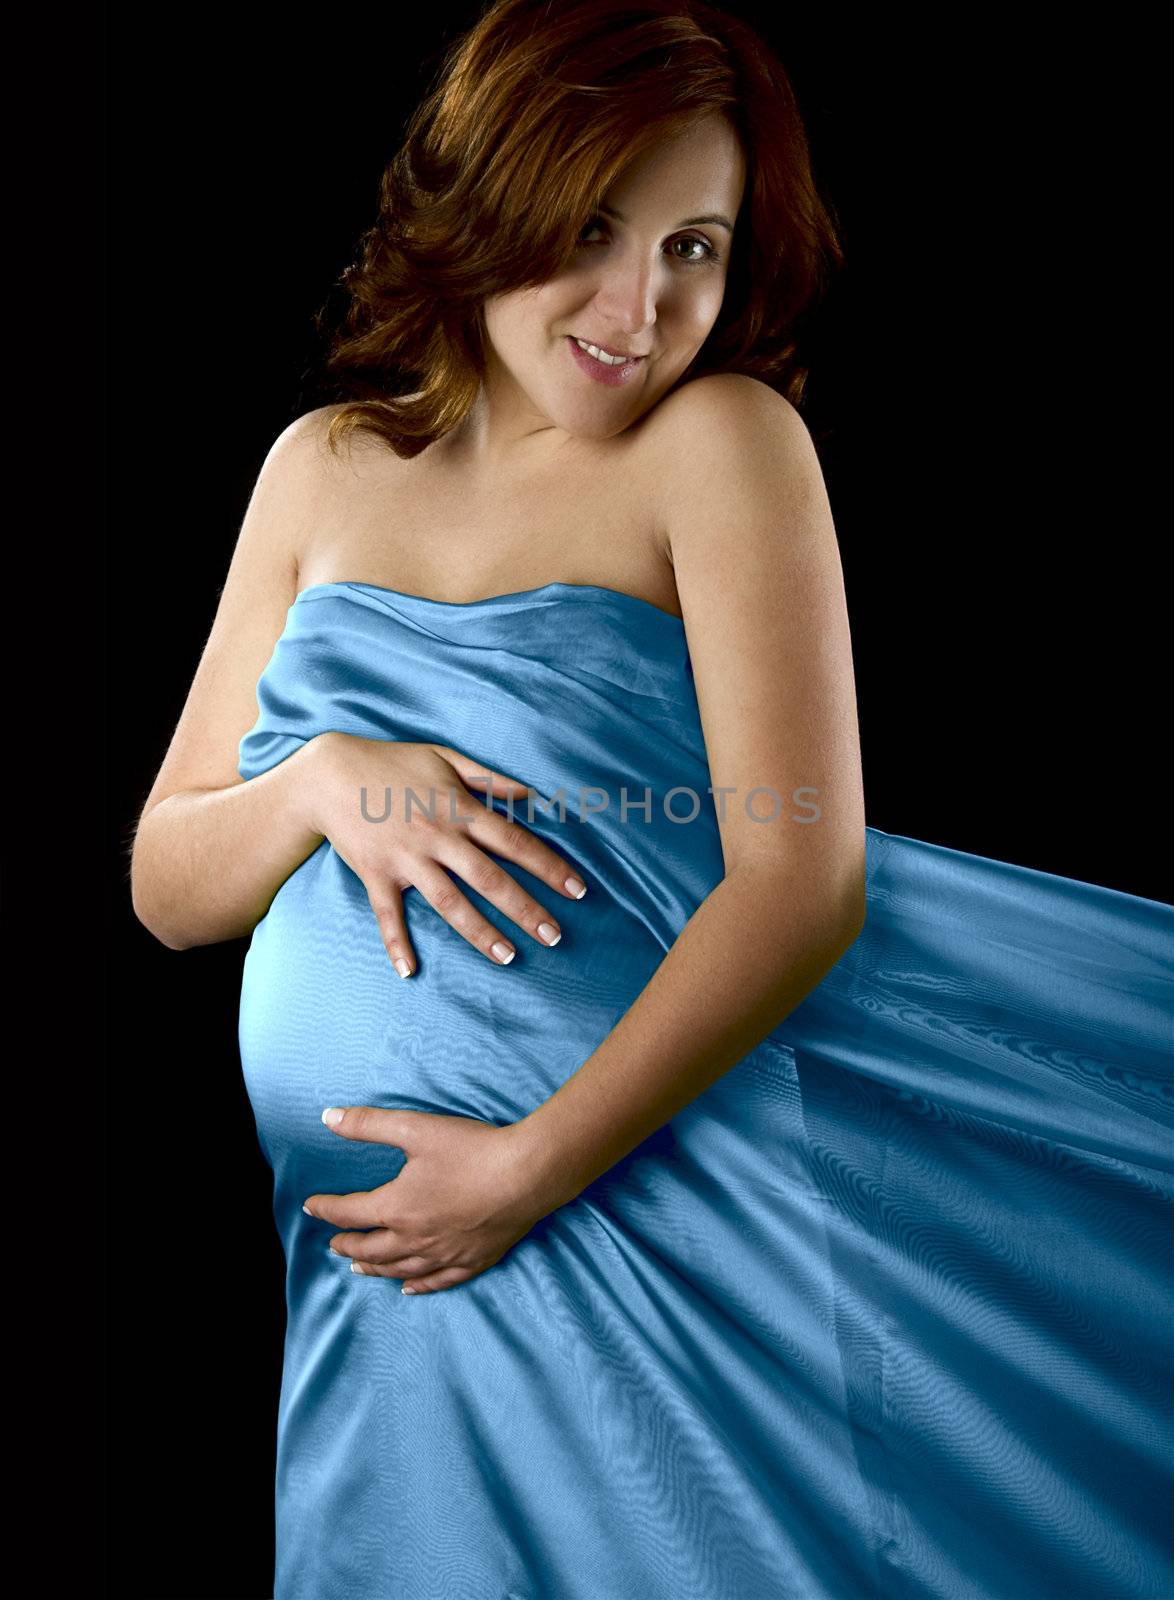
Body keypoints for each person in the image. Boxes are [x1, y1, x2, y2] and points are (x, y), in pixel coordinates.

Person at [129, 2, 1174, 1596]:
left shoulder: (719, 444)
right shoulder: (321, 468)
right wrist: (324, 783)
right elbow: (166, 883)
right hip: (378, 1264)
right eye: (595, 230)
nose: (642, 305)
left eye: (695, 245)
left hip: (640, 1200)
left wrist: (526, 1169)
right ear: (485, 200)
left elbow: (794, 884)